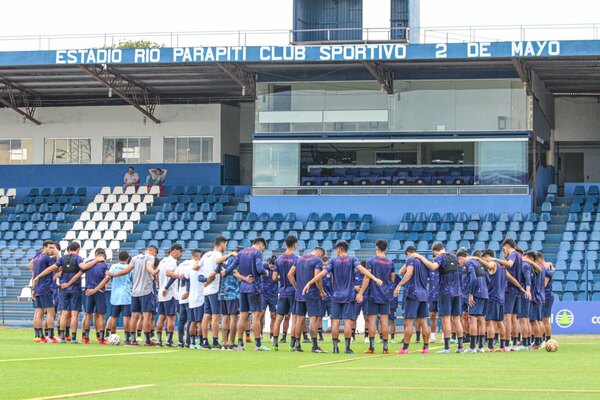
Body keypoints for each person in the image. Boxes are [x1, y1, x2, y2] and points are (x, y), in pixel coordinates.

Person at [413, 243, 464, 353]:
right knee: (457, 320)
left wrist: (421, 257)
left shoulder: (440, 257)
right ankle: (460, 347)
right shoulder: (454, 256)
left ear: (435, 251)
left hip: (445, 292)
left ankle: (446, 348)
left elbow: (433, 267)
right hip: (457, 292)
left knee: (446, 320)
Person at [232, 237, 270, 351]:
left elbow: (232, 267)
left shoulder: (242, 252)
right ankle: (257, 344)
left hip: (243, 287)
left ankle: (240, 344)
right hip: (254, 287)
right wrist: (266, 272)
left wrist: (225, 272)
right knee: (256, 316)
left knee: (242, 316)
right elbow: (259, 269)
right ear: (261, 245)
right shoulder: (257, 253)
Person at [493, 238, 530, 351]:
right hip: (517, 291)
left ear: (507, 246)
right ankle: (514, 344)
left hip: (509, 289)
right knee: (514, 318)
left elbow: (509, 264)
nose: (504, 251)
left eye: (504, 248)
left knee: (507, 317)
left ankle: (506, 344)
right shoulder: (520, 255)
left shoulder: (513, 254)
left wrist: (495, 259)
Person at [200, 236, 236, 350]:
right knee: (215, 316)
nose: (225, 247)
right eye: (225, 245)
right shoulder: (218, 255)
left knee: (206, 315)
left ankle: (205, 340)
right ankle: (215, 340)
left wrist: (204, 280)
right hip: (215, 289)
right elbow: (217, 263)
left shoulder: (206, 254)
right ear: (222, 244)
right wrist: (230, 254)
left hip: (206, 289)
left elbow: (196, 266)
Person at [394, 246, 430, 354]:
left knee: (409, 321)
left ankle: (405, 348)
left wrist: (399, 285)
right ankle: (426, 348)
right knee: (423, 321)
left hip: (413, 294)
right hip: (423, 293)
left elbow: (408, 273)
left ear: (408, 253)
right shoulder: (424, 262)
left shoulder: (410, 259)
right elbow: (401, 271)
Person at [360, 240, 394, 354]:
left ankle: (372, 347)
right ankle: (385, 348)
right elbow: (392, 278)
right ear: (386, 249)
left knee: (372, 321)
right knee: (384, 321)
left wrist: (360, 293)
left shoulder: (371, 261)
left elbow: (366, 277)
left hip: (373, 294)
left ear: (376, 248)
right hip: (385, 294)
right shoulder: (390, 262)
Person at [290, 247, 325, 353]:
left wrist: (297, 288)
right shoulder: (317, 260)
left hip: (300, 294)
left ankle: (297, 346)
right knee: (313, 319)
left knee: (299, 320)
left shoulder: (299, 259)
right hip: (312, 294)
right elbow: (317, 277)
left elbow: (290, 274)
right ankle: (314, 346)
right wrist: (322, 291)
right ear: (320, 254)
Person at [54, 242, 89, 343]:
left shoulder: (63, 258)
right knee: (74, 314)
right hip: (74, 289)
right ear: (78, 249)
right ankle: (73, 337)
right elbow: (83, 267)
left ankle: (62, 337)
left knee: (64, 313)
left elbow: (55, 268)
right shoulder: (78, 258)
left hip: (63, 289)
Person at [458, 250, 488, 353]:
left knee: (473, 318)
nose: (459, 263)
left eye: (459, 260)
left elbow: (473, 278)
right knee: (481, 319)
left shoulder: (469, 262)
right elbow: (487, 278)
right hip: (484, 292)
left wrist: (471, 294)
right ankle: (480, 346)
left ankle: (472, 347)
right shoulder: (478, 262)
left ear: (462, 258)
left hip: (477, 293)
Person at [271, 236, 299, 351]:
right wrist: (295, 286)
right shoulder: (296, 259)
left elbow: (273, 277)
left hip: (282, 291)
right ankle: (291, 345)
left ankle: (275, 344)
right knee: (294, 318)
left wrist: (281, 279)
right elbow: (292, 275)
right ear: (295, 245)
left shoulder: (278, 260)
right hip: (293, 292)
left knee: (279, 318)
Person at [129, 245, 158, 346]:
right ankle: (147, 340)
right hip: (145, 290)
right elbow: (148, 267)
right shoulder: (150, 257)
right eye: (155, 253)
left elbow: (127, 270)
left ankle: (132, 340)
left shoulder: (135, 258)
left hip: (135, 291)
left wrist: (113, 274)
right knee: (147, 316)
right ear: (152, 251)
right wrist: (154, 272)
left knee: (134, 316)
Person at [217, 247, 244, 350]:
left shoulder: (224, 260)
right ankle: (231, 343)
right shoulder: (238, 260)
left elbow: (218, 271)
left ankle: (224, 343)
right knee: (233, 318)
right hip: (233, 292)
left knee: (225, 317)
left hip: (222, 292)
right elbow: (237, 274)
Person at [81, 249, 111, 345]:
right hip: (99, 291)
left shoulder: (89, 263)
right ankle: (101, 339)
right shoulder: (104, 265)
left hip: (89, 291)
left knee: (87, 315)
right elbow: (107, 278)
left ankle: (86, 338)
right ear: (104, 258)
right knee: (101, 316)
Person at [156, 244, 183, 347]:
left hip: (162, 293)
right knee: (171, 318)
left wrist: (160, 287)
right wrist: (179, 276)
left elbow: (157, 274)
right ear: (175, 250)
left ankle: (159, 340)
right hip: (170, 293)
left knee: (161, 317)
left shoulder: (162, 261)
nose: (180, 254)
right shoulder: (172, 261)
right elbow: (169, 273)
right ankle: (169, 340)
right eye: (180, 252)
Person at [31, 240, 58, 343]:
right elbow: (56, 269)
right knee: (51, 311)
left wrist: (33, 288)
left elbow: (33, 271)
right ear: (44, 247)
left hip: (38, 287)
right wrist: (57, 254)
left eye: (53, 248)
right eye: (50, 247)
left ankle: (40, 336)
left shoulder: (37, 258)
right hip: (46, 287)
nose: (51, 250)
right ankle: (50, 336)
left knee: (39, 312)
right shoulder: (46, 258)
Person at [106, 251, 134, 345]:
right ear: (127, 259)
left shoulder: (113, 267)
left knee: (114, 317)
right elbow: (132, 281)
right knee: (126, 317)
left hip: (115, 295)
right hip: (126, 295)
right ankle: (127, 338)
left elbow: (108, 277)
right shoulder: (129, 268)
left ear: (118, 258)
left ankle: (112, 336)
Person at [523, 251, 546, 350]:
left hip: (535, 296)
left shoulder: (536, 267)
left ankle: (537, 342)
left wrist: (531, 263)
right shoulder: (543, 268)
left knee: (534, 321)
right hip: (540, 296)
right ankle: (539, 341)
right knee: (539, 321)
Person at [260, 255, 278, 343]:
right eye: (271, 264)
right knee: (261, 314)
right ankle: (260, 333)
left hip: (273, 294)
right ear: (268, 263)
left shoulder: (277, 269)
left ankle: (272, 335)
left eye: (273, 265)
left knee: (273, 315)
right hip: (263, 293)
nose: (272, 266)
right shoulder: (263, 267)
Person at [539, 252, 554, 345]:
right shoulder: (547, 268)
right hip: (544, 296)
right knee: (542, 319)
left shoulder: (547, 270)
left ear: (540, 260)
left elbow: (544, 284)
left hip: (547, 296)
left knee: (545, 319)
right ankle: (544, 339)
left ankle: (548, 340)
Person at [427, 268, 440, 344]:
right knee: (432, 315)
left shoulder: (443, 269)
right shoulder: (430, 270)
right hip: (432, 295)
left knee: (444, 317)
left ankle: (444, 337)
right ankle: (432, 337)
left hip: (442, 294)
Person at [388, 273, 401, 343]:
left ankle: (392, 338)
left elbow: (401, 284)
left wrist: (398, 289)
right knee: (382, 320)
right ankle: (381, 338)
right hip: (383, 301)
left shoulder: (396, 276)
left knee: (392, 321)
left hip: (393, 302)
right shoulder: (382, 274)